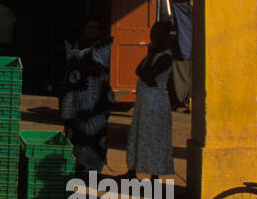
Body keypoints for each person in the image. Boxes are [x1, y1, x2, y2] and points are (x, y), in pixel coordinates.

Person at [123, 21, 175, 180]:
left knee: (155, 138)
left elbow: (147, 75)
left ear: (165, 36)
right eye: (152, 33)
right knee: (139, 134)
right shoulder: (155, 54)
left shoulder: (166, 56)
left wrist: (151, 54)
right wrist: (150, 54)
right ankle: (132, 171)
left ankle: (154, 175)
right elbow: (139, 70)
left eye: (157, 33)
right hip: (144, 101)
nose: (153, 36)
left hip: (155, 103)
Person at [60, 17, 112, 176]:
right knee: (75, 131)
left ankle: (93, 168)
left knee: (93, 134)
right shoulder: (75, 44)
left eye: (95, 28)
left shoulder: (102, 47)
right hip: (75, 97)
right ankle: (77, 165)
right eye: (89, 27)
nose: (91, 31)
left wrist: (77, 64)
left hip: (94, 100)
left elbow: (99, 70)